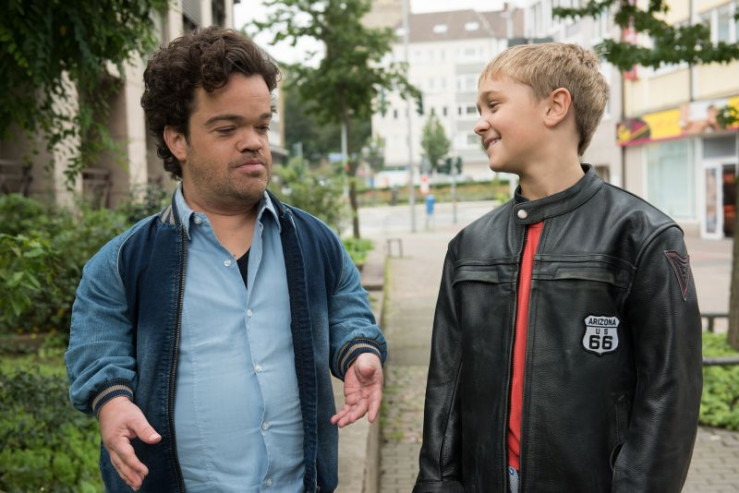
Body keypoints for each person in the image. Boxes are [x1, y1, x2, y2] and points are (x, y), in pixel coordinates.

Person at [66, 27, 386, 493]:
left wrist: (360, 350)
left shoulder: (315, 242)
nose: (253, 142)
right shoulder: (123, 261)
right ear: (178, 140)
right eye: (227, 128)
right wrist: (111, 401)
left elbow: (347, 309)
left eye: (261, 125)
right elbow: (97, 347)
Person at [413, 42, 702, 493]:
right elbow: (445, 390)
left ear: (555, 107)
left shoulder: (642, 237)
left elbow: (670, 394)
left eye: (493, 104)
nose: (479, 123)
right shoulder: (469, 247)